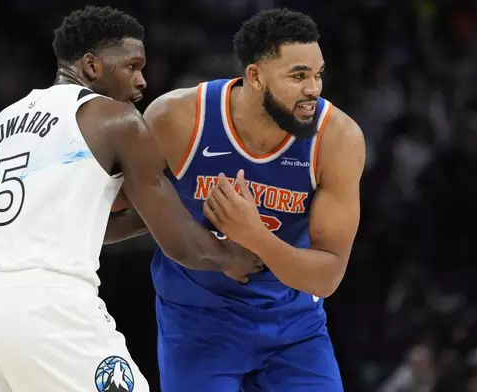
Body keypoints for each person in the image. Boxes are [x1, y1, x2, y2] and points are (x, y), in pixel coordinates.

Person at [0, 6, 260, 392]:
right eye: (131, 66)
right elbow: (185, 246)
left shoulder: (1, 124)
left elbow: (73, 227)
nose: (142, 81)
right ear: (92, 66)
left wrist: (153, 216)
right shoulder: (115, 119)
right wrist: (232, 256)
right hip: (48, 307)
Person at [142, 8, 366, 391]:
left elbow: (328, 275)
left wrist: (253, 234)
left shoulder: (337, 138)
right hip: (198, 320)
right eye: (298, 76)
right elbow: (129, 210)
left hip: (294, 325)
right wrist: (215, 249)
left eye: (318, 74)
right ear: (256, 76)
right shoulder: (178, 118)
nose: (314, 88)